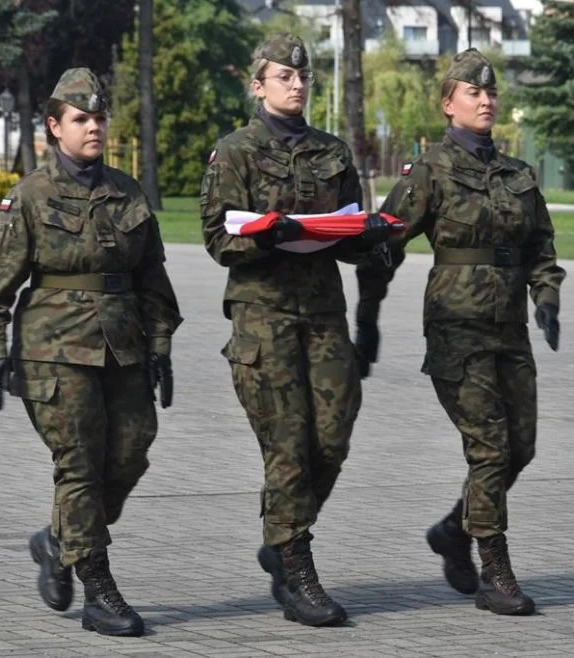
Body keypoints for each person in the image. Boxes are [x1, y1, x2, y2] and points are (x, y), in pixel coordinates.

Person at [0, 68, 182, 637]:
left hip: (122, 346)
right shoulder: (31, 196)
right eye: (81, 119)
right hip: (53, 353)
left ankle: (59, 541)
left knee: (132, 451)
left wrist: (160, 346)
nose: (93, 128)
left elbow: (153, 279)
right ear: (54, 126)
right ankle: (98, 588)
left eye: (99, 118)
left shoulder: (126, 190)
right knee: (79, 465)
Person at [354, 49, 566, 616]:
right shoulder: (430, 172)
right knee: (490, 448)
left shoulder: (518, 174)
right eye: (473, 93)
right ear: (448, 104)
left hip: (510, 330)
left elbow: (539, 245)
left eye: (491, 93)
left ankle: (454, 530)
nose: (487, 100)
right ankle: (496, 573)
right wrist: (366, 318)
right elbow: (385, 246)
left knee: (521, 446)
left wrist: (546, 296)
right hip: (456, 328)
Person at [199, 33, 392, 627]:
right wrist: (267, 236)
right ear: (258, 85)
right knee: (287, 442)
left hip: (324, 315)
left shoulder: (332, 152)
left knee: (330, 439)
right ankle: (296, 568)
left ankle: (281, 531)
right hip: (263, 318)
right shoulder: (234, 152)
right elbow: (215, 237)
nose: (298, 84)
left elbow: (351, 227)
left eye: (303, 77)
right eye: (284, 76)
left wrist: (368, 242)